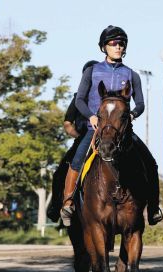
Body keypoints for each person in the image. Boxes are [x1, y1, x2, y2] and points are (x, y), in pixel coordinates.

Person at [60, 25, 163, 227]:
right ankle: (68, 202)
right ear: (103, 47)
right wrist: (90, 116)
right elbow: (80, 99)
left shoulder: (132, 75)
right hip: (95, 130)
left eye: (121, 43)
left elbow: (141, 104)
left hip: (123, 133)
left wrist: (132, 114)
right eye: (113, 43)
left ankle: (153, 208)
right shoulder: (92, 71)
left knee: (150, 163)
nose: (118, 46)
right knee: (77, 159)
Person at [46, 60, 99, 222]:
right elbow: (67, 123)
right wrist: (78, 137)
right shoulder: (78, 98)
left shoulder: (106, 97)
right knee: (59, 172)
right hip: (83, 138)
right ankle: (57, 207)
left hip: (105, 139)